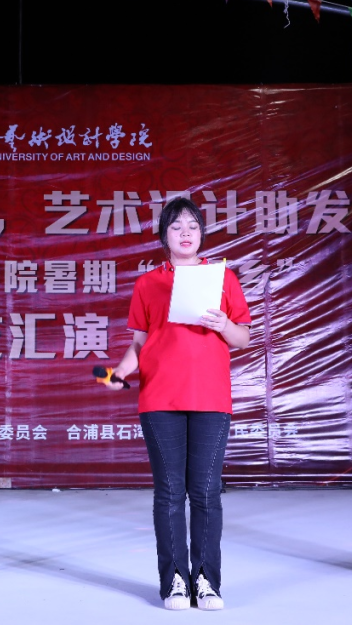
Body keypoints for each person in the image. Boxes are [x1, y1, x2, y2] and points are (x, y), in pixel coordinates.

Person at [99, 197, 251, 611]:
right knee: (169, 493)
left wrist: (224, 324)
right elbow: (139, 343)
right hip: (160, 397)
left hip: (210, 397)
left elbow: (243, 338)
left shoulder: (223, 278)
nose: (186, 233)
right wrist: (120, 372)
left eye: (193, 226)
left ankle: (206, 581)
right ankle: (175, 582)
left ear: (202, 234)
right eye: (177, 226)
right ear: (163, 236)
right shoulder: (148, 283)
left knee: (205, 492)